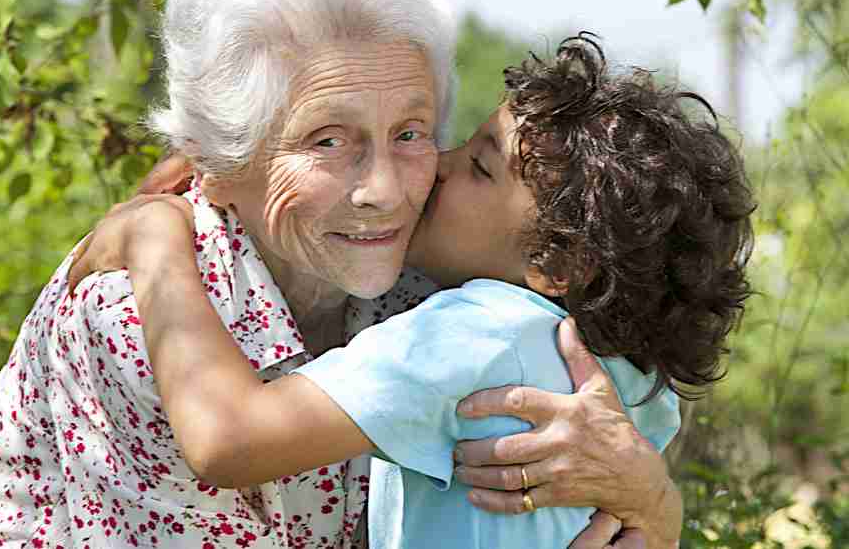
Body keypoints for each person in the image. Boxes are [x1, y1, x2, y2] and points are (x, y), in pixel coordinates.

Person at [0, 0, 682, 549]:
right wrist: (160, 234)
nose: (385, 187)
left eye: (410, 133)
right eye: (328, 139)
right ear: (223, 162)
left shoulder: (440, 285)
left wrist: (650, 501)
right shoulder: (141, 313)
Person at [70, 34, 754, 547]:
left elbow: (227, 439)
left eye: (481, 167)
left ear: (556, 262)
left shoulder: (475, 331)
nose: (440, 164)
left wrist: (156, 247)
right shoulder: (629, 383)